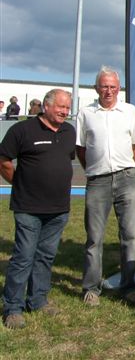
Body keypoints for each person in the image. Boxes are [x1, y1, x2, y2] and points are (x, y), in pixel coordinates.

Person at [0, 89, 75, 329]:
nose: (64, 111)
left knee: (45, 256)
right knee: (23, 257)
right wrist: (20, 183)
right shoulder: (22, 130)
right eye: (60, 107)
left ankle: (38, 299)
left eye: (67, 107)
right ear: (46, 106)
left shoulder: (68, 131)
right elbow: (3, 161)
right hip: (28, 206)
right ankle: (12, 307)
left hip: (58, 208)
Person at [76, 66, 135, 306]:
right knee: (94, 237)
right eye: (104, 86)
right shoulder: (85, 113)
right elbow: (81, 149)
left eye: (113, 87)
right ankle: (91, 288)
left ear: (119, 88)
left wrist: (126, 168)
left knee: (129, 235)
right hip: (98, 180)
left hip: (127, 178)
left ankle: (128, 287)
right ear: (97, 88)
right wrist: (96, 169)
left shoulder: (130, 111)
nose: (108, 91)